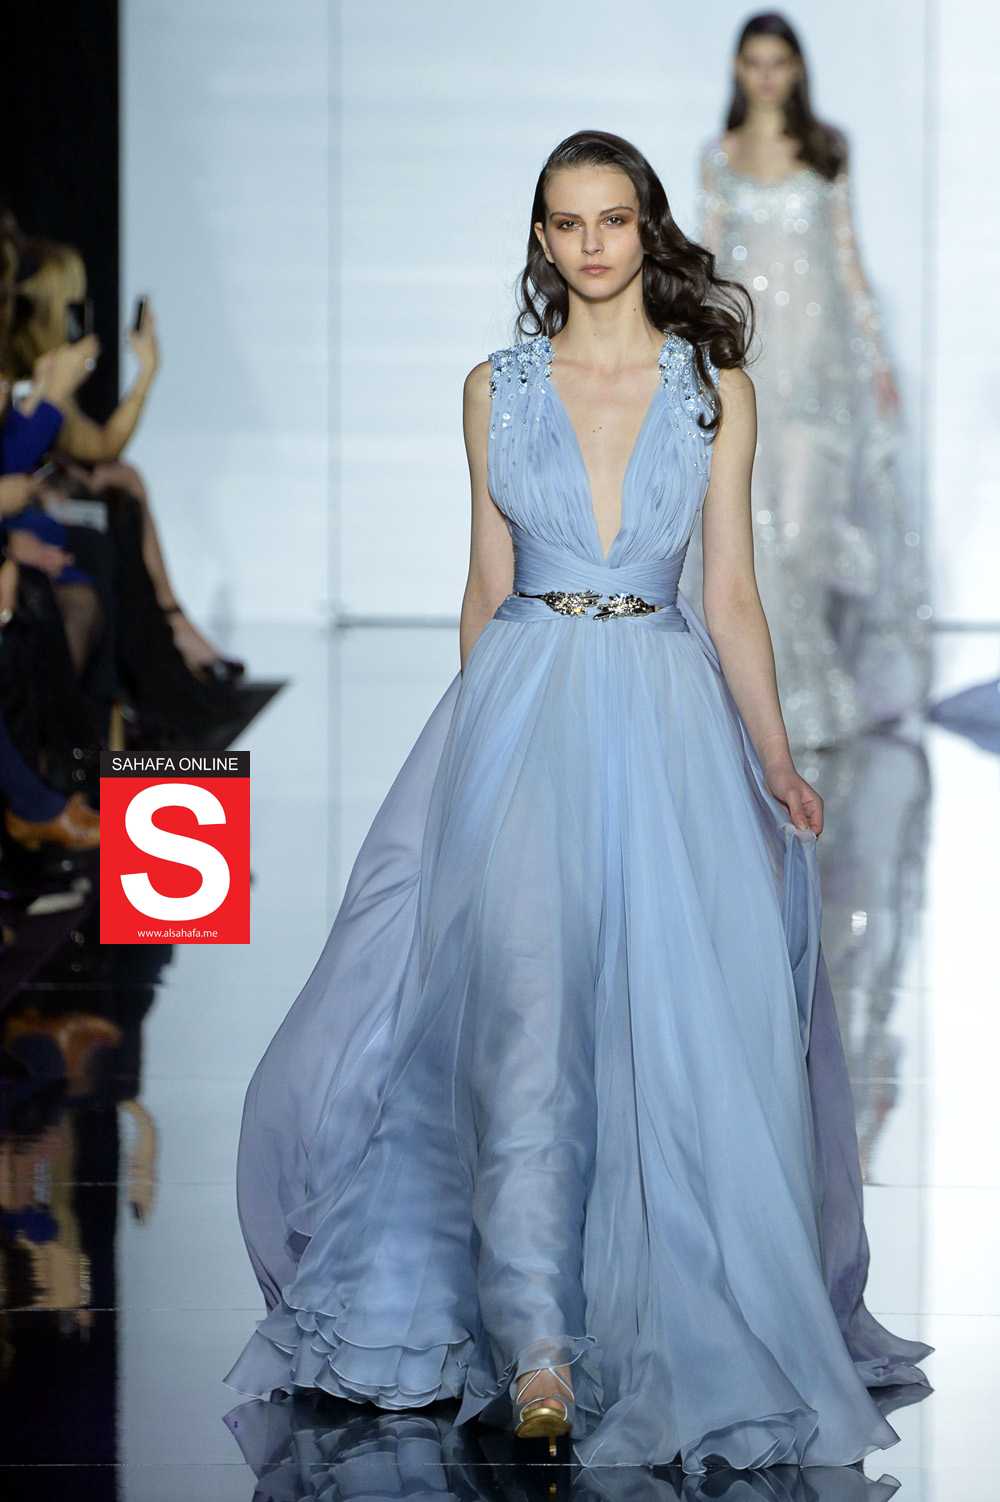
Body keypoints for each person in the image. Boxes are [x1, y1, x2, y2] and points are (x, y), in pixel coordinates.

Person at [224, 129, 931, 1472]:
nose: (592, 243)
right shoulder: (496, 390)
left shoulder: (715, 393)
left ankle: (658, 1314)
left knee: (670, 1036)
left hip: (666, 720)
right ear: (542, 238)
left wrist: (778, 758)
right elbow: (486, 586)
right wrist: (473, 761)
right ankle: (537, 1345)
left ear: (645, 226)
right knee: (524, 1028)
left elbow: (730, 592)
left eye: (612, 218)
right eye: (567, 221)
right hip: (525, 713)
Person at [679, 11, 931, 751]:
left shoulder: (827, 150)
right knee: (747, 528)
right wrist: (690, 344)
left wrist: (876, 360)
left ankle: (807, 694)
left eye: (778, 62)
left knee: (803, 530)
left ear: (796, 69)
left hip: (818, 371)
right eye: (753, 62)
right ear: (738, 69)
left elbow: (848, 259)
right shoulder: (718, 155)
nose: (766, 76)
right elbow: (709, 256)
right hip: (748, 362)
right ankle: (758, 703)